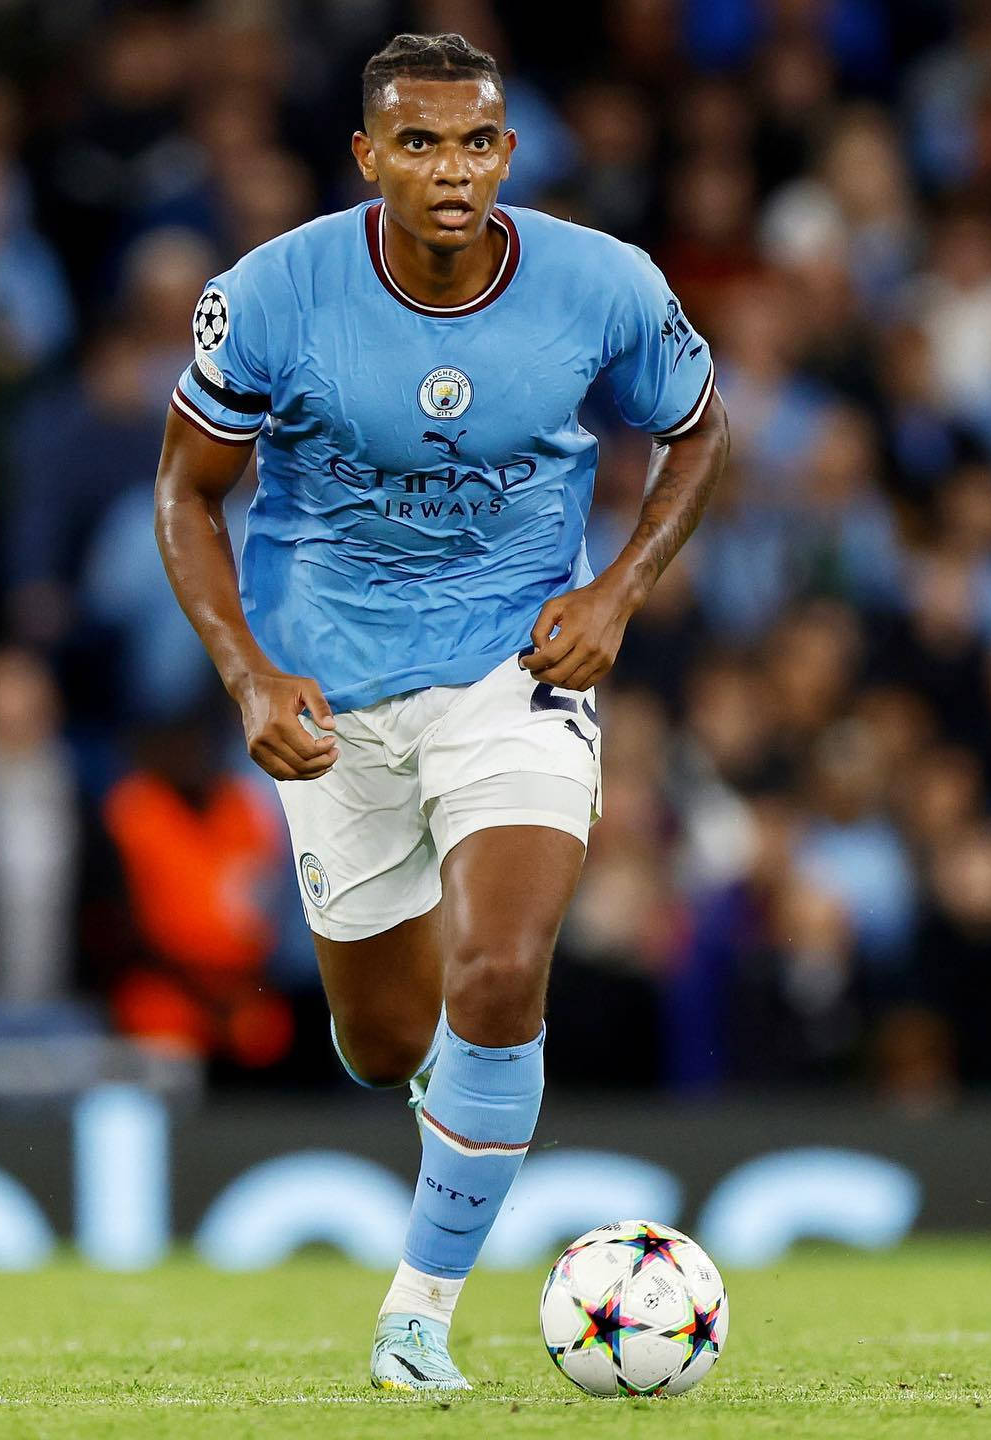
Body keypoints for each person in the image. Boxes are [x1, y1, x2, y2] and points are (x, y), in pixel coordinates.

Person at [154, 33, 728, 1391]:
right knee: (386, 1042)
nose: (451, 170)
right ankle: (455, 1103)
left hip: (512, 669)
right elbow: (186, 490)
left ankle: (417, 1318)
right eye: (419, 143)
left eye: (475, 143)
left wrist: (618, 593)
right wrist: (248, 674)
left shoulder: (605, 285)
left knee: (500, 971)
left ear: (508, 154)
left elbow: (698, 430)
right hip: (332, 694)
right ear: (369, 157)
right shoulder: (273, 294)